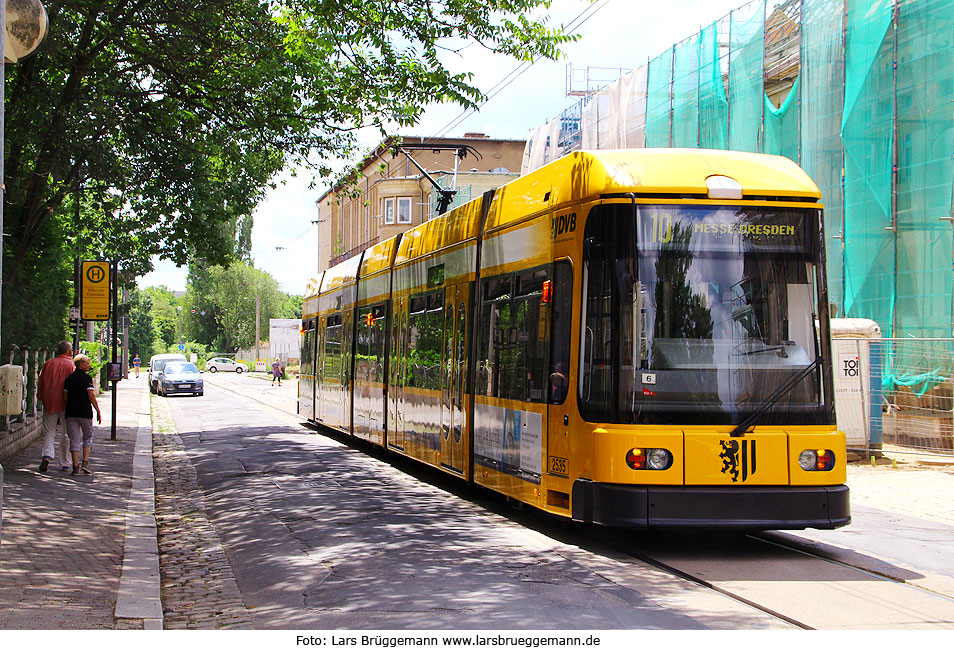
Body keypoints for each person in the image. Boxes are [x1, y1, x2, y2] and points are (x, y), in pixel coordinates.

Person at [36, 340, 75, 472]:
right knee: (66, 432)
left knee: (49, 431)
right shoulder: (71, 365)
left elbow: (40, 381)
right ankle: (65, 462)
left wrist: (41, 397)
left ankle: (47, 455)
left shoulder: (48, 364)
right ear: (69, 351)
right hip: (67, 403)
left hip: (50, 401)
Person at [63, 353, 102, 475]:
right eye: (87, 363)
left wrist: (68, 406)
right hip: (85, 411)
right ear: (80, 364)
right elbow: (91, 395)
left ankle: (75, 466)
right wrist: (97, 410)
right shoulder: (87, 379)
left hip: (71, 412)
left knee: (74, 439)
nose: (89, 365)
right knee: (87, 437)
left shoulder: (68, 379)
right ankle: (85, 462)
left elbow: (65, 396)